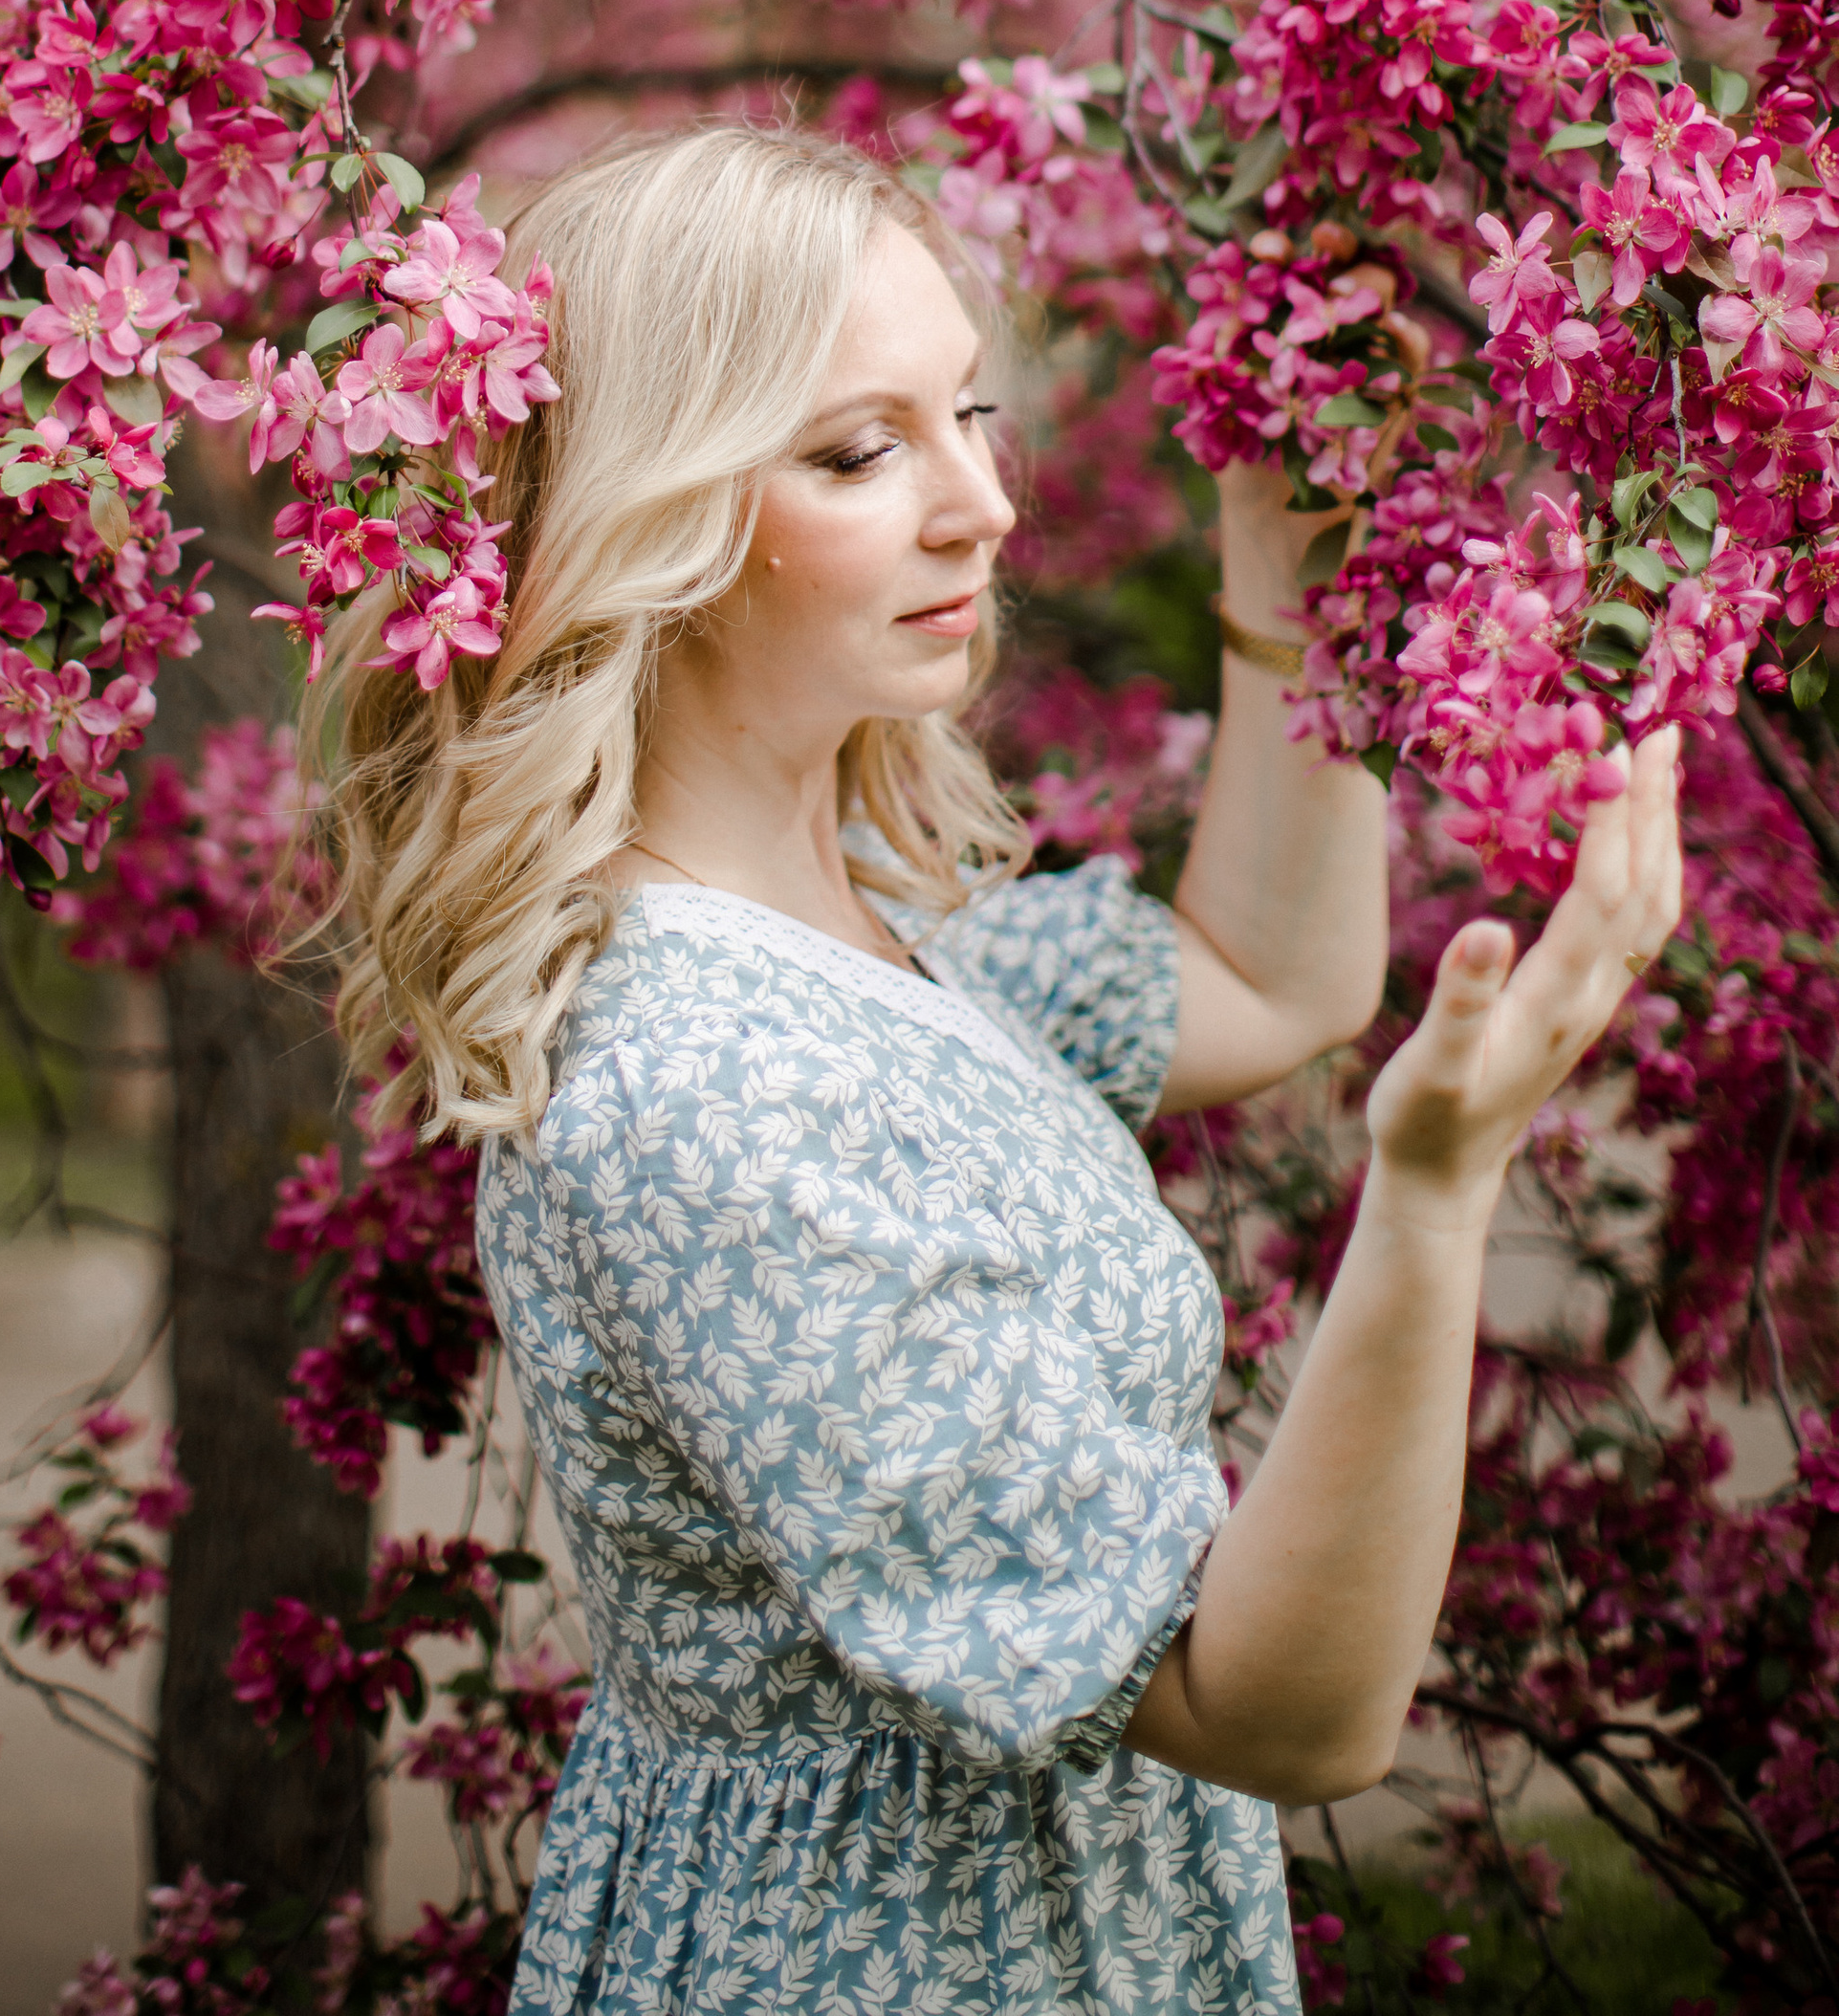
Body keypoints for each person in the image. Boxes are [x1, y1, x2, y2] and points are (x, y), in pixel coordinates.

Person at [313, 124, 1681, 2014]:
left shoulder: (875, 919)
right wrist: (1433, 1187)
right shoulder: (702, 1092)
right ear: (656, 511)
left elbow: (1261, 977)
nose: (980, 506)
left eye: (965, 413)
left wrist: (1283, 556)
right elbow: (1277, 1709)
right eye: (858, 450)